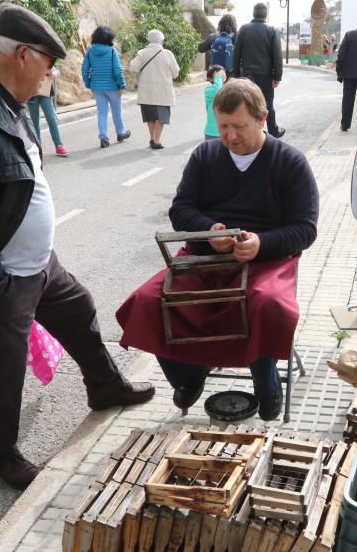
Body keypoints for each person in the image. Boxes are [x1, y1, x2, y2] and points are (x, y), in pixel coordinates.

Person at [0, 4, 154, 490]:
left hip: (38, 262)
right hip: (6, 273)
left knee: (79, 307)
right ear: (22, 55)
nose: (49, 75)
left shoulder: (4, 100)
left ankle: (104, 386)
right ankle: (0, 453)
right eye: (47, 62)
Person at [116, 79, 319, 421]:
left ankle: (266, 379)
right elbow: (181, 208)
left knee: (265, 304)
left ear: (262, 118)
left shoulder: (290, 162)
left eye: (238, 126)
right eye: (223, 126)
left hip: (265, 261)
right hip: (204, 259)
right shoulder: (206, 156)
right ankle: (189, 372)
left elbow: (305, 229)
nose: (230, 136)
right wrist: (208, 232)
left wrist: (261, 244)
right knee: (148, 302)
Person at [232, 3, 284, 138]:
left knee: (246, 104)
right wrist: (277, 76)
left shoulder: (243, 29)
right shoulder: (271, 30)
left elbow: (236, 54)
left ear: (253, 13)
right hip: (265, 75)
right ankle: (273, 130)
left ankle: (246, 130)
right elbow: (277, 55)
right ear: (265, 14)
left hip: (247, 76)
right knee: (267, 104)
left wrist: (236, 76)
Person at [129, 29, 179, 150]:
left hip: (146, 92)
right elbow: (175, 73)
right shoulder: (168, 54)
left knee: (150, 116)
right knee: (161, 118)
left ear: (148, 40)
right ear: (161, 40)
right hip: (163, 92)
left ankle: (152, 138)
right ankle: (157, 141)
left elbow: (132, 68)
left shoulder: (142, 53)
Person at [82, 25, 130, 149]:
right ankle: (121, 132)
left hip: (97, 88)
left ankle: (103, 137)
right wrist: (121, 85)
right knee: (116, 111)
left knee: (102, 113)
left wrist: (88, 83)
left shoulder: (90, 52)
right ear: (108, 38)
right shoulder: (112, 51)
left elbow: (84, 70)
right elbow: (117, 70)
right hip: (113, 87)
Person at [28, 69, 69, 157]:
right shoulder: (26, 56)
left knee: (51, 118)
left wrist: (53, 73)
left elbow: (56, 71)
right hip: (31, 93)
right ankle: (38, 145)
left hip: (45, 91)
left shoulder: (45, 57)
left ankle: (59, 145)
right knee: (34, 121)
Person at [203, 64, 225, 141]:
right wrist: (218, 76)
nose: (223, 75)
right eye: (221, 73)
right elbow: (217, 92)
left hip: (224, 132)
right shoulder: (209, 90)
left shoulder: (227, 90)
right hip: (212, 133)